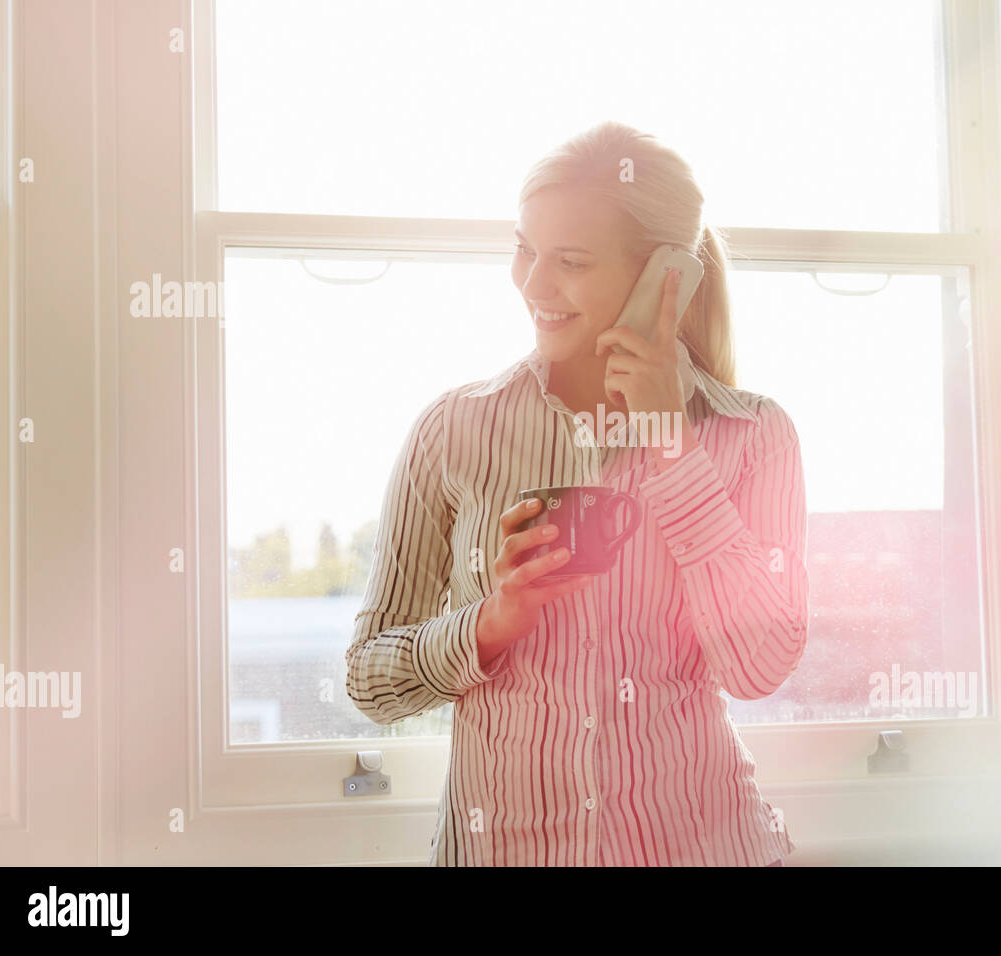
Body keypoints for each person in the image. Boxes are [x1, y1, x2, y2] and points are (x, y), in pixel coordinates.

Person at [345, 120, 809, 866]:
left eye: (570, 262)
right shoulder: (454, 432)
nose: (533, 285)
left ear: (666, 278)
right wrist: (489, 625)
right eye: (525, 249)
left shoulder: (754, 436)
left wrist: (672, 448)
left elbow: (759, 667)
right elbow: (370, 679)